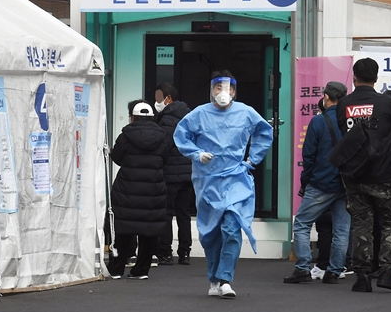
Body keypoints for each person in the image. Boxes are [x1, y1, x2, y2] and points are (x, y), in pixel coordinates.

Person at [174, 71, 273, 298]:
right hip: (207, 181)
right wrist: (197, 154)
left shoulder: (246, 113)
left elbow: (264, 132)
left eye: (227, 88)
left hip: (236, 178)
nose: (222, 92)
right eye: (218, 88)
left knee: (231, 227)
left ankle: (226, 279)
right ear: (211, 90)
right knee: (211, 234)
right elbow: (181, 136)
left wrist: (251, 160)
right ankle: (214, 279)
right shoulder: (199, 114)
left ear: (234, 92)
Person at [336, 58, 391, 293]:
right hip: (384, 172)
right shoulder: (387, 103)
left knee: (361, 223)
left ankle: (362, 276)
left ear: (354, 78)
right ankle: (387, 270)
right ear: (377, 78)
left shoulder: (344, 103)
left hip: (355, 175)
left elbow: (345, 134)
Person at [284, 82, 351, 285]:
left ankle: (303, 267)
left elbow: (309, 156)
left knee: (302, 223)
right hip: (346, 183)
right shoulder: (350, 122)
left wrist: (306, 181)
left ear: (326, 97)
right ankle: (334, 270)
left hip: (321, 182)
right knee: (342, 229)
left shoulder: (318, 121)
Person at [108, 100, 171, 279]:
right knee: (149, 231)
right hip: (154, 188)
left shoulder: (125, 136)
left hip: (127, 187)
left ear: (133, 117)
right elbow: (165, 158)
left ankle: (117, 269)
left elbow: (118, 158)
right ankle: (141, 270)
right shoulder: (163, 136)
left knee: (122, 229)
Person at [153, 83, 194, 265]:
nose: (157, 101)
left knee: (167, 212)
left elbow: (165, 145)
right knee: (183, 213)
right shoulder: (190, 116)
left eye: (159, 97)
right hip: (188, 172)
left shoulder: (167, 119)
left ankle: (165, 252)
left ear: (167, 98)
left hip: (170, 172)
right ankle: (184, 252)